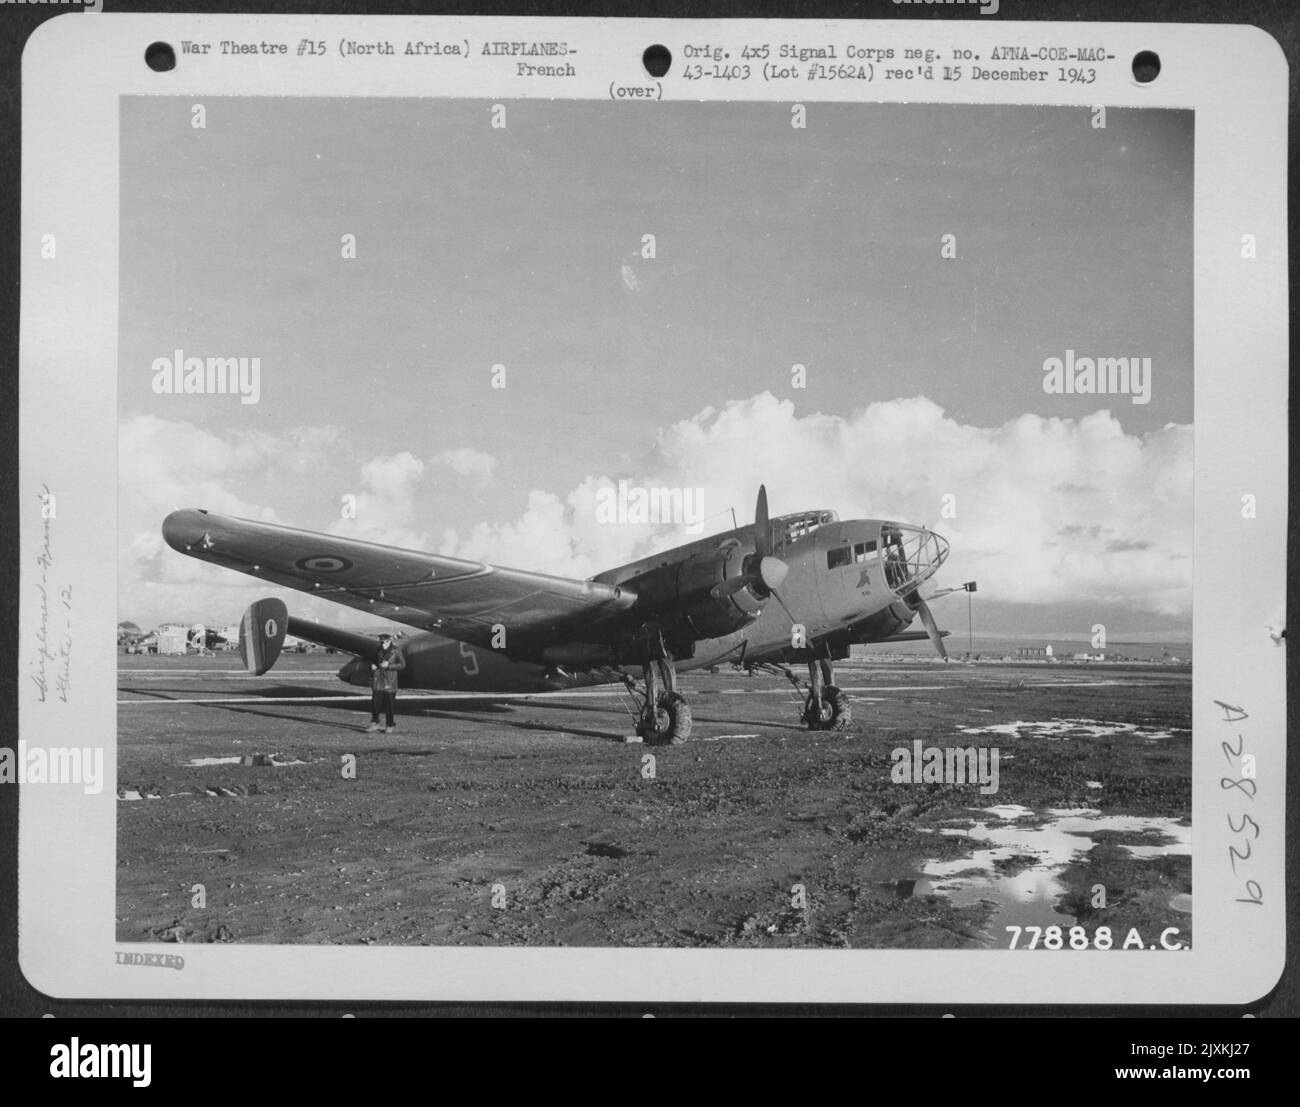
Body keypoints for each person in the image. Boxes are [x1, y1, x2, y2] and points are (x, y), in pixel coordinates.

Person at [366, 632, 405, 733]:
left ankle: (390, 725)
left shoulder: (396, 650)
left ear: (389, 641)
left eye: (383, 642)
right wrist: (373, 665)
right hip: (378, 679)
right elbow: (374, 661)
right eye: (381, 642)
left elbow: (402, 664)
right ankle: (374, 723)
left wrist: (389, 666)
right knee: (375, 703)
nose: (382, 644)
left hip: (390, 680)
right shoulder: (379, 650)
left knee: (390, 705)